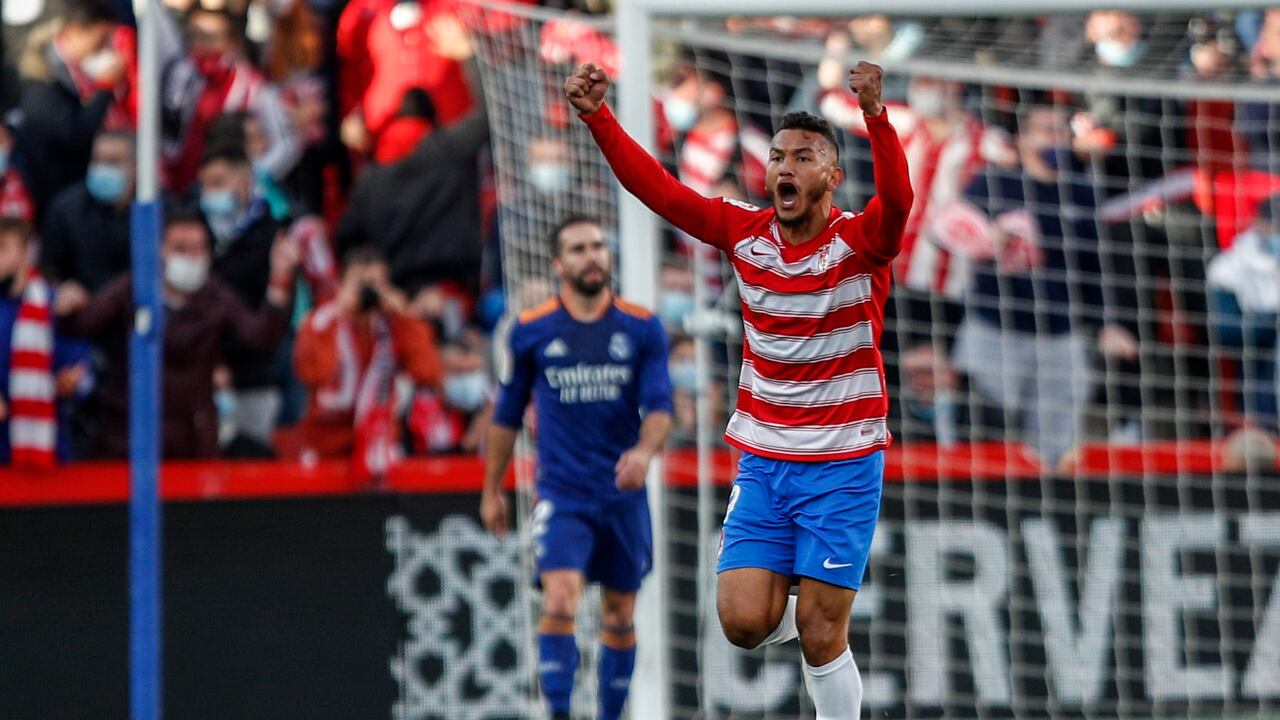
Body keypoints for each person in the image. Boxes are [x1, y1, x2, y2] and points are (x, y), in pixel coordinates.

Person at [565, 58, 911, 719]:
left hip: (843, 462)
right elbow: (661, 193)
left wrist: (875, 118)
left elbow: (898, 203)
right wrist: (596, 117)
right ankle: (814, 616)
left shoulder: (860, 245)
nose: (784, 167)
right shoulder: (743, 231)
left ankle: (825, 635)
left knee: (819, 633)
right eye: (778, 155)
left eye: (804, 157)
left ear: (831, 178)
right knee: (743, 623)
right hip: (766, 459)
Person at [480, 216, 673, 720]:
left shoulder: (641, 326)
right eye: (578, 249)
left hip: (623, 496)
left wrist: (644, 452)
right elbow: (505, 415)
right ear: (558, 264)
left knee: (619, 612)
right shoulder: (531, 330)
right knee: (560, 600)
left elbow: (659, 408)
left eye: (597, 246)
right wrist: (491, 489)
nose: (592, 256)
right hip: (563, 495)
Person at [59, 206, 296, 459]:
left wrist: (279, 280)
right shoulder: (134, 289)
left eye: (199, 249)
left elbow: (260, 336)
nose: (191, 258)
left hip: (192, 440)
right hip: (130, 439)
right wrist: (66, 304)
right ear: (162, 249)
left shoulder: (215, 296)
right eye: (181, 249)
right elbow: (79, 324)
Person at [335, 17, 487, 298]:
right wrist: (469, 56)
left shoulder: (371, 174)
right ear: (432, 119)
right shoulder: (449, 147)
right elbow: (488, 114)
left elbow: (347, 237)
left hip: (394, 298)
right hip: (450, 293)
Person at [293, 245, 441, 476]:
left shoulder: (393, 326)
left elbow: (428, 372)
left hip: (379, 446)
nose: (368, 294)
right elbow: (313, 374)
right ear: (340, 286)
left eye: (375, 285)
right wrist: (342, 311)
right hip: (326, 447)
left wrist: (404, 317)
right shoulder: (321, 323)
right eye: (361, 285)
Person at [197, 143, 287, 453]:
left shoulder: (273, 234)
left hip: (254, 376)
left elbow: (275, 318)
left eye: (219, 183)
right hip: (202, 379)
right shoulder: (193, 231)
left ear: (245, 181)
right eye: (205, 184)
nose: (210, 193)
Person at [16, 0, 124, 211]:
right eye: (101, 39)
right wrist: (105, 87)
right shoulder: (40, 75)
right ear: (75, 32)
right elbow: (73, 134)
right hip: (48, 193)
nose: (106, 48)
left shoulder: (75, 74)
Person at [0, 218, 90, 468]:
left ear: (26, 251)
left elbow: (83, 370)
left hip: (49, 452)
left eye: (3, 247)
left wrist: (73, 382)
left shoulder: (54, 306)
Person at [1207, 194, 1280, 432]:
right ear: (1260, 223)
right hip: (1259, 368)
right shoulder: (1227, 268)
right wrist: (1270, 322)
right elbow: (1225, 331)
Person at [39, 130, 135, 294]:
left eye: (112, 162)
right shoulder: (65, 210)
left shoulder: (155, 212)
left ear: (135, 168)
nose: (102, 169)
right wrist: (61, 291)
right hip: (81, 313)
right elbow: (48, 272)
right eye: (96, 161)